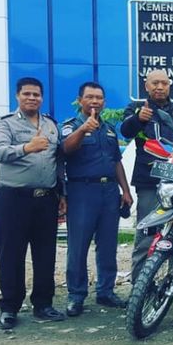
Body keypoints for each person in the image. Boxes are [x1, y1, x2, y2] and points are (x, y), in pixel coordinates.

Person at [0, 77, 67, 329]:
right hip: (13, 199)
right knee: (10, 253)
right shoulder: (5, 124)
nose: (32, 98)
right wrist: (27, 147)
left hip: (46, 199)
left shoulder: (51, 125)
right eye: (27, 94)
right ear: (18, 96)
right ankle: (10, 307)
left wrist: (61, 194)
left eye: (36, 94)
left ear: (42, 97)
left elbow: (58, 161)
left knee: (45, 254)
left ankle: (43, 304)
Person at [61, 82, 134, 316]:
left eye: (99, 98)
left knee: (107, 245)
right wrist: (83, 130)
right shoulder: (71, 126)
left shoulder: (109, 129)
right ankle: (76, 295)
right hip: (82, 191)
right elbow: (64, 150)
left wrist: (125, 190)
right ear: (80, 100)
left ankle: (106, 291)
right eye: (90, 97)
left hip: (109, 192)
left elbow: (116, 161)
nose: (95, 101)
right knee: (78, 246)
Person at [121, 69, 173, 291]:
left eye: (163, 83)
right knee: (147, 234)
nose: (159, 87)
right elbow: (125, 131)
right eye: (154, 83)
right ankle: (140, 286)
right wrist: (138, 119)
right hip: (148, 181)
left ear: (169, 85)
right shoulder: (137, 109)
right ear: (146, 86)